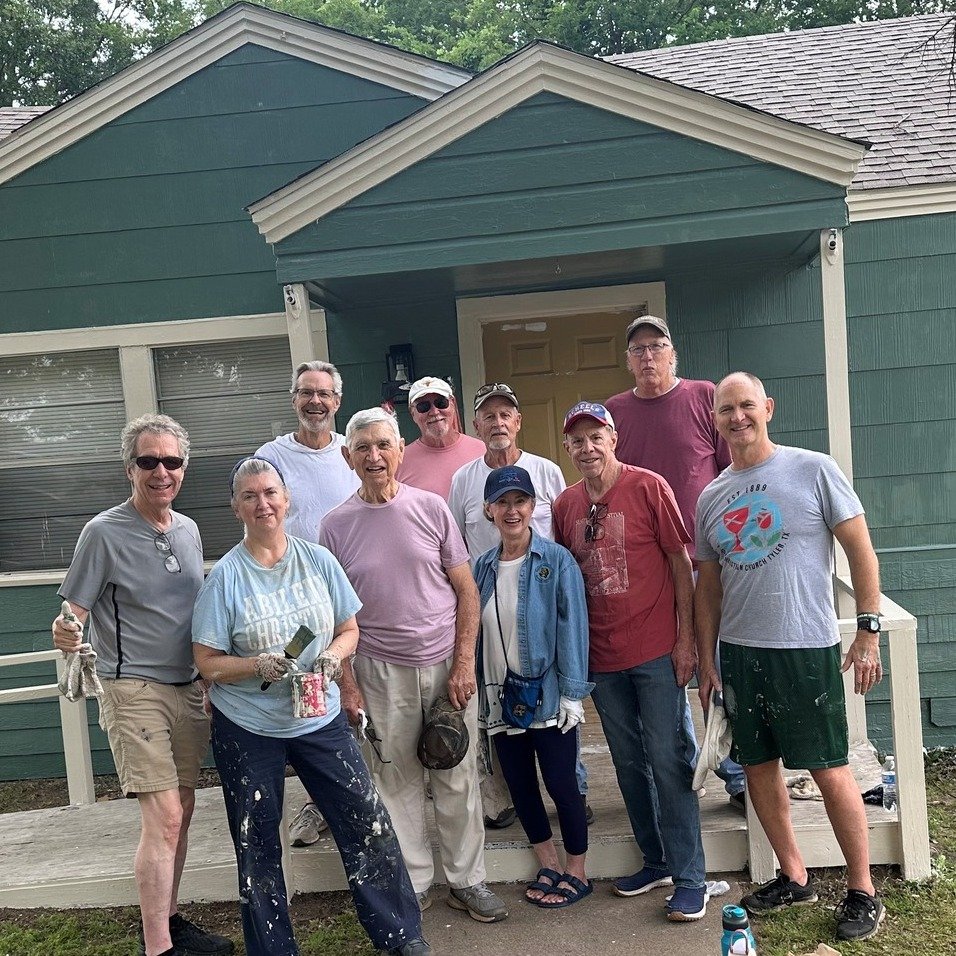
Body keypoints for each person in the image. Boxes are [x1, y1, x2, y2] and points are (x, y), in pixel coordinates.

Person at [191, 456, 428, 956]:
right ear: (236, 507)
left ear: (287, 499)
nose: (263, 503)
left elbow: (349, 629)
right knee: (257, 845)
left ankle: (400, 936)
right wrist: (256, 665)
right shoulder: (226, 578)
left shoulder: (317, 560)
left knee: (367, 822)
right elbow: (207, 664)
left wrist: (331, 657)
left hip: (319, 718)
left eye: (271, 492)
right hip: (248, 727)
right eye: (250, 495)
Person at [695, 372, 886, 942]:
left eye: (746, 405)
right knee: (757, 768)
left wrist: (868, 628)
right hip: (741, 653)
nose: (737, 417)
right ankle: (794, 874)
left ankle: (862, 889)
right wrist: (707, 659)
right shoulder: (711, 495)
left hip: (805, 648)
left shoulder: (814, 469)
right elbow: (708, 588)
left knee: (829, 768)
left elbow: (860, 548)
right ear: (716, 419)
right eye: (725, 409)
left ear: (768, 408)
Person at [52, 414, 232, 956]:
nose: (161, 471)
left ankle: (171, 921)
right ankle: (159, 948)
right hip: (133, 690)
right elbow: (72, 611)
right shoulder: (103, 532)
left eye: (172, 461)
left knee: (182, 807)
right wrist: (66, 630)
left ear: (184, 469)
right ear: (129, 467)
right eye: (148, 461)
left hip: (188, 691)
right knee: (166, 815)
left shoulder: (188, 529)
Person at [321, 408, 509, 924]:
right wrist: (348, 686)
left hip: (445, 662)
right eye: (363, 448)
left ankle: (468, 881)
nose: (374, 456)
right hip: (380, 669)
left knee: (457, 774)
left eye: (383, 445)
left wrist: (464, 663)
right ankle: (416, 881)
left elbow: (466, 590)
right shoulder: (334, 527)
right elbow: (335, 617)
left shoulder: (431, 508)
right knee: (394, 776)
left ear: (401, 451)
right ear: (347, 457)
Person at [553, 401, 708, 922]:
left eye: (596, 436)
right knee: (627, 763)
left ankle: (691, 878)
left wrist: (686, 640)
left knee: (669, 760)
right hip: (602, 658)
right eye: (577, 440)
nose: (587, 448)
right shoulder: (565, 505)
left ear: (613, 438)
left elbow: (679, 562)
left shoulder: (648, 487)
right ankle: (656, 859)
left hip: (657, 650)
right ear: (569, 448)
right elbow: (567, 581)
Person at [605, 315, 745, 810]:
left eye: (657, 346)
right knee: (672, 668)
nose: (648, 356)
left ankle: (736, 775)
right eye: (638, 349)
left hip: (704, 560)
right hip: (649, 568)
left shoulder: (704, 397)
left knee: (717, 665)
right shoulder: (613, 412)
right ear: (628, 360)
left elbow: (734, 474)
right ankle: (684, 772)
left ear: (673, 354)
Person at [448, 382, 590, 829]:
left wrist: (574, 686)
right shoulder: (463, 480)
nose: (498, 423)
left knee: (557, 734)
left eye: (505, 414)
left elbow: (565, 538)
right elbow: (454, 546)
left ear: (518, 420)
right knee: (504, 725)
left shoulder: (546, 472)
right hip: (488, 602)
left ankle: (574, 792)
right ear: (477, 425)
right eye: (488, 416)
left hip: (543, 603)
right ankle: (507, 801)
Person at [473, 465, 594, 909]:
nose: (511, 510)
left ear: (532, 506)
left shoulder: (556, 561)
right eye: (502, 502)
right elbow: (472, 631)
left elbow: (573, 627)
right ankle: (549, 862)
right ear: (489, 509)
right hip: (500, 699)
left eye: (519, 501)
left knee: (563, 785)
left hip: (548, 697)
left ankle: (577, 870)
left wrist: (573, 694)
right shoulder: (481, 568)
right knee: (521, 787)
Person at [256, 360, 360, 846]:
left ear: (337, 401)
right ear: (294, 399)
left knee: (366, 695)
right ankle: (318, 804)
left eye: (324, 393)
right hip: (301, 607)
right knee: (312, 695)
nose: (315, 401)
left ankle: (361, 794)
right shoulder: (272, 457)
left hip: (358, 598)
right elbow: (258, 521)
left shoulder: (355, 451)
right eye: (305, 393)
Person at [396, 375, 485, 499]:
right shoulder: (399, 462)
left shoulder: (483, 451)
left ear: (453, 404)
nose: (434, 412)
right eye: (423, 407)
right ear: (412, 413)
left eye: (441, 403)